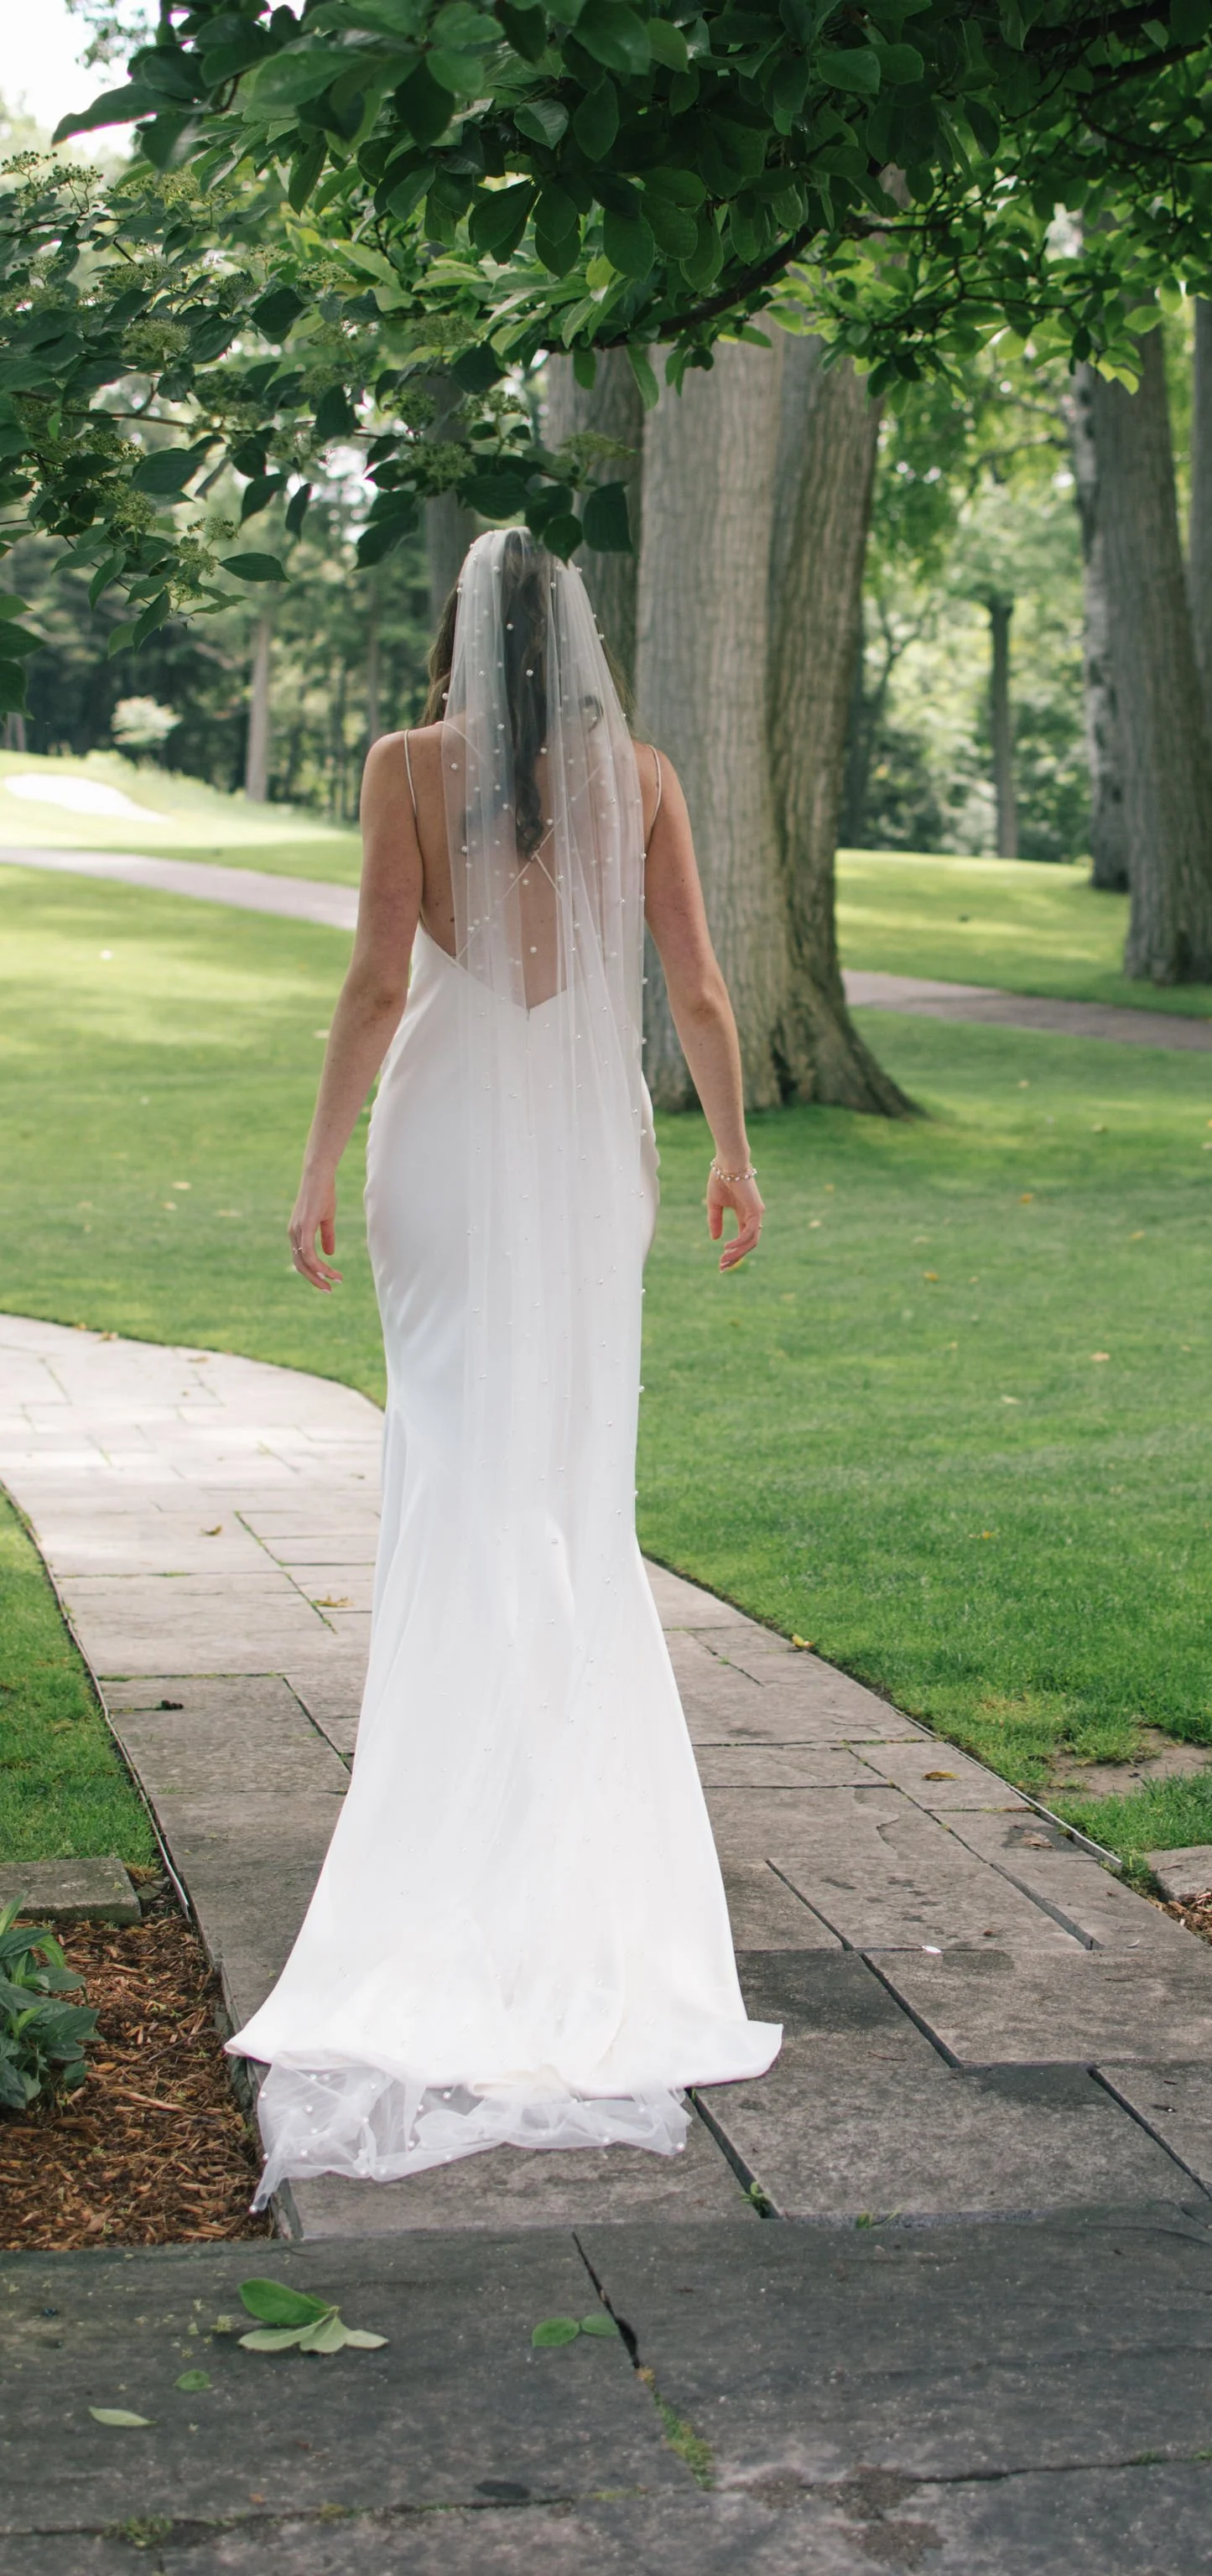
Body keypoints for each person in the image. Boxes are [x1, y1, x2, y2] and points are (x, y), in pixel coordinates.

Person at [227, 529, 781, 2203]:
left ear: (461, 639)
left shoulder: (406, 767)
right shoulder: (649, 779)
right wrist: (734, 1155)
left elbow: (379, 979)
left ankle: (456, 1814)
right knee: (563, 1480)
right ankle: (556, 1811)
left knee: (455, 1463)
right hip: (580, 1143)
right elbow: (691, 984)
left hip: (456, 1135)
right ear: (583, 646)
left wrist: (317, 1161)